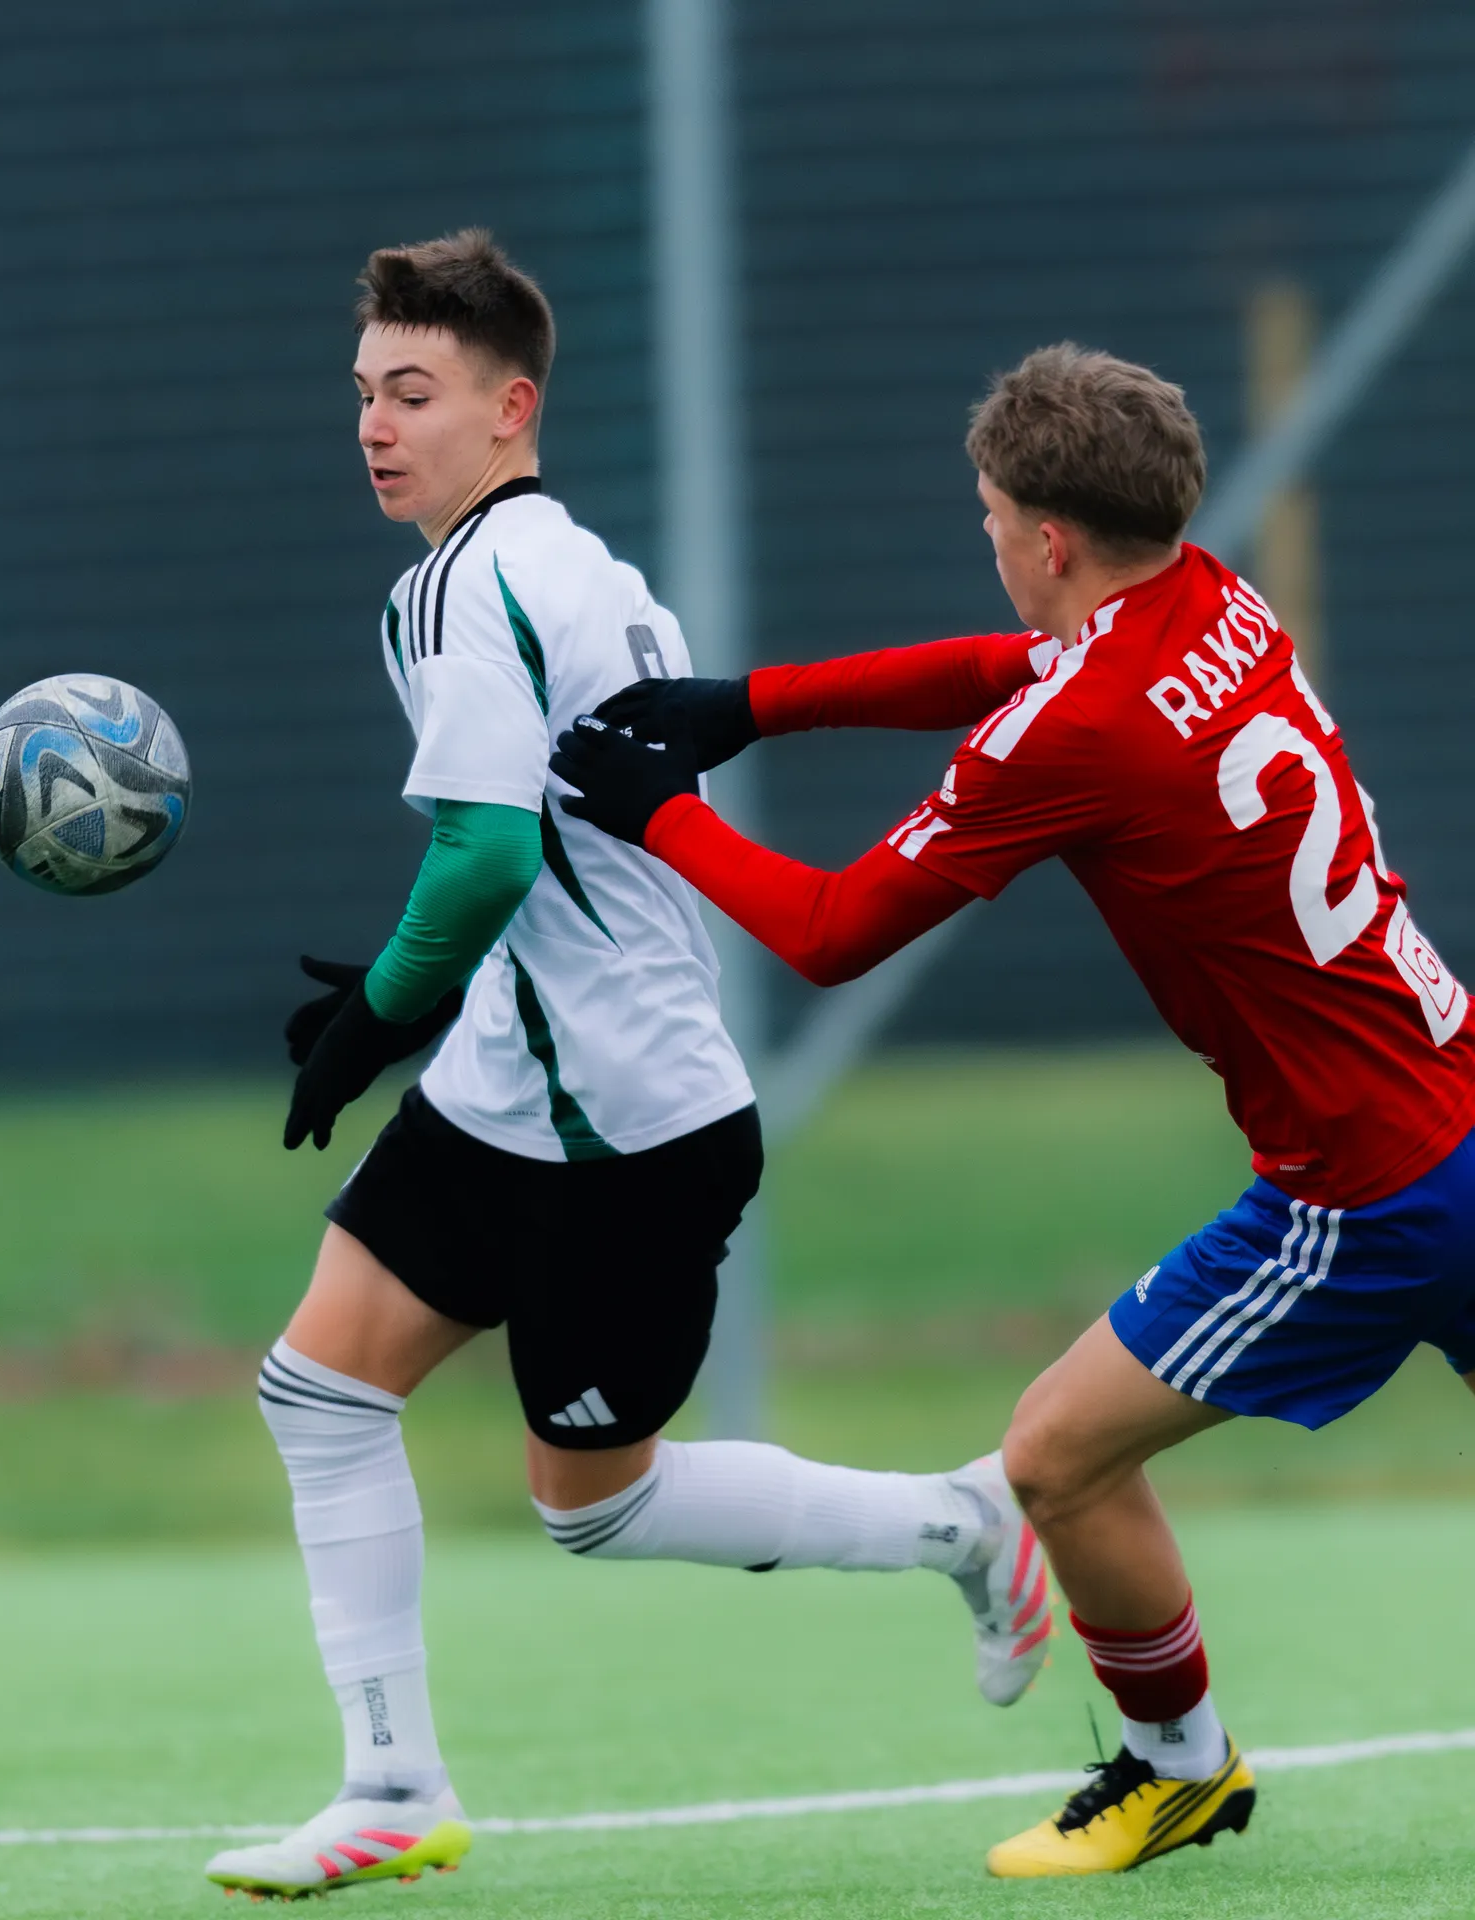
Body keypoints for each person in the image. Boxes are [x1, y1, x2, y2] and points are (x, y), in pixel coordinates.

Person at [553, 341, 1475, 1879]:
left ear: (1049, 540)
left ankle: (1178, 1768)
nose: (986, 542)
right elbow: (1010, 671)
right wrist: (747, 709)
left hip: (1368, 1193)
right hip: (1457, 1095)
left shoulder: (1085, 725)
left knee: (1054, 1457)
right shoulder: (1217, 600)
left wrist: (657, 815)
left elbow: (833, 930)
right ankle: (1180, 1765)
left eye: (990, 518)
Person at [204, 231, 1049, 1901]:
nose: (375, 426)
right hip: (509, 1091)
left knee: (594, 1504)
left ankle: (964, 1520)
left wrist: (376, 1016)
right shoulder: (554, 561)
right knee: (319, 1388)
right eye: (364, 394)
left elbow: (486, 858)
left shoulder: (474, 585)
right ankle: (391, 1788)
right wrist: (419, 1020)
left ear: (512, 408)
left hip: (627, 1126)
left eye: (414, 394)